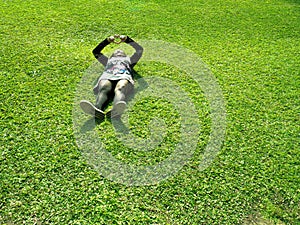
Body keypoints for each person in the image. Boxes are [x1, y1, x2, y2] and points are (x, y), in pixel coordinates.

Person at [80, 34, 143, 120]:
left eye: (121, 52)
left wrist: (127, 40)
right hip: (108, 76)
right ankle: (97, 109)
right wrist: (107, 41)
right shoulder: (107, 61)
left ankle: (116, 110)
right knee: (104, 88)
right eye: (116, 52)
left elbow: (139, 50)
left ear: (125, 55)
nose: (118, 51)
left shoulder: (129, 60)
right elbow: (96, 52)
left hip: (123, 76)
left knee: (121, 87)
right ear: (111, 56)